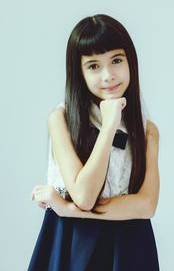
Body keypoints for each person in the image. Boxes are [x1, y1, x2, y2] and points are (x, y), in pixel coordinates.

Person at [28, 14, 160, 271]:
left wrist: (67, 208)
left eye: (117, 60)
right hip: (73, 241)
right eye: (93, 66)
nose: (108, 75)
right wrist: (109, 125)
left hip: (129, 244)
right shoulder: (61, 119)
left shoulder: (147, 131)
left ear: (130, 61)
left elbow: (146, 205)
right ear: (79, 71)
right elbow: (85, 196)